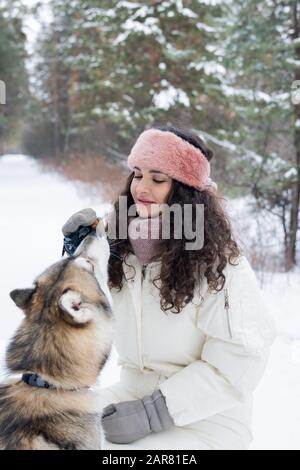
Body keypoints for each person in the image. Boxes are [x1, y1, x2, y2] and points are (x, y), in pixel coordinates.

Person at [62, 126, 276, 450]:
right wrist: (78, 256)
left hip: (207, 419)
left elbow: (241, 357)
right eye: (137, 174)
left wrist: (155, 412)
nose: (141, 188)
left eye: (158, 179)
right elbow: (77, 308)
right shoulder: (120, 243)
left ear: (185, 191)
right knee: (45, 430)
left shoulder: (220, 263)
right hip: (131, 394)